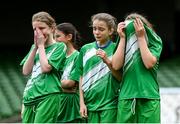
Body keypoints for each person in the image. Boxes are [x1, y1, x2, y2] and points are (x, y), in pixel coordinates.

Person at [113, 13, 163, 123]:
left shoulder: (155, 41)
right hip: (126, 97)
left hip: (149, 97)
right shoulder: (121, 40)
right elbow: (116, 65)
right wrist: (122, 38)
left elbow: (149, 63)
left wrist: (140, 37)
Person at [20, 11, 67, 123]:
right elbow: (26, 71)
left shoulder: (60, 47)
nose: (38, 33)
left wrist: (41, 46)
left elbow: (46, 68)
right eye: (35, 29)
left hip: (48, 95)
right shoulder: (34, 47)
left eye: (42, 28)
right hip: (30, 96)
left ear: (52, 28)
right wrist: (35, 48)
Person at [76, 13, 121, 123]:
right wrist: (82, 103)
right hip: (89, 105)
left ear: (110, 31)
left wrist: (107, 61)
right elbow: (81, 76)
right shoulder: (85, 49)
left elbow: (121, 77)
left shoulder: (117, 49)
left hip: (110, 104)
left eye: (101, 29)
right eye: (94, 28)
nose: (96, 32)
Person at [55, 22, 84, 123]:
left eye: (58, 36)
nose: (55, 40)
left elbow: (70, 83)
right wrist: (63, 87)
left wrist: (52, 86)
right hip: (57, 103)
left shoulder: (78, 56)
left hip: (71, 105)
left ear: (69, 37)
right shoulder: (56, 58)